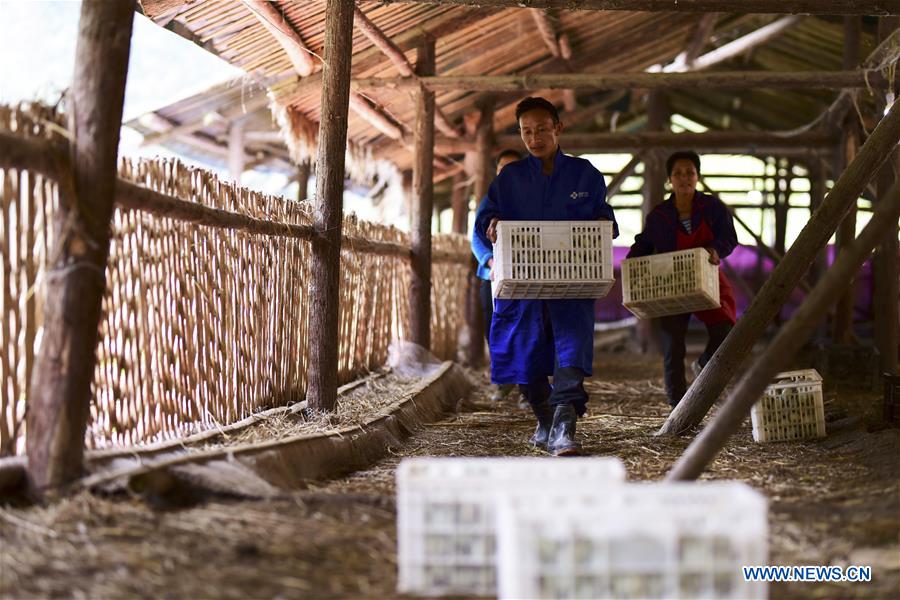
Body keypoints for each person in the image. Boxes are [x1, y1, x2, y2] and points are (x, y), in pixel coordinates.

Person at [474, 97, 618, 456]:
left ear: (558, 128)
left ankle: (565, 427)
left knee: (570, 354)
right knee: (528, 365)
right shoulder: (510, 178)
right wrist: (491, 225)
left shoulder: (585, 174)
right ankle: (544, 418)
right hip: (524, 286)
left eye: (541, 129)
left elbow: (605, 215)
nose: (534, 138)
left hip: (572, 282)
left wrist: (605, 224)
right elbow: (485, 218)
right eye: (526, 132)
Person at [626, 150, 738, 409]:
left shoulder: (711, 207)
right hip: (672, 283)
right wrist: (629, 264)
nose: (684, 178)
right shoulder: (660, 215)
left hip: (706, 277)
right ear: (669, 180)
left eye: (690, 172)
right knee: (673, 347)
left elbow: (729, 237)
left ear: (697, 177)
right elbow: (644, 243)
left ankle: (703, 364)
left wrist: (716, 250)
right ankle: (677, 406)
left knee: (725, 331)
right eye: (678, 173)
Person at [471, 149, 523, 404]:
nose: (508, 172)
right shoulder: (491, 198)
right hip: (491, 275)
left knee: (526, 330)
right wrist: (491, 261)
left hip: (526, 275)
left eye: (513, 167)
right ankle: (503, 380)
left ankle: (527, 386)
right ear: (497, 171)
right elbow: (476, 238)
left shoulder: (531, 197)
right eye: (503, 167)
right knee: (494, 328)